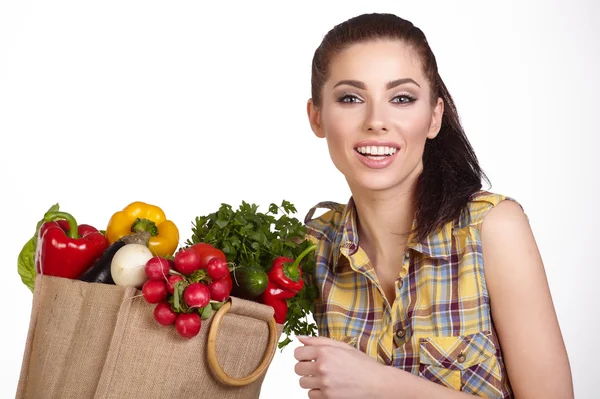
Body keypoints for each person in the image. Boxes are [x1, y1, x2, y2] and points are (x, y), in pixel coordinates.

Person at [293, 13, 574, 399]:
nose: (377, 121)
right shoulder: (311, 247)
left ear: (434, 117)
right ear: (317, 116)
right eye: (351, 98)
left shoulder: (491, 228)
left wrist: (379, 384)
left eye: (402, 98)